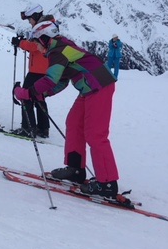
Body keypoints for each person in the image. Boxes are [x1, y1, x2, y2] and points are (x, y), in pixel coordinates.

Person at [14, 20, 120, 198]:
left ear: (44, 39)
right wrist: (41, 95)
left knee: (95, 134)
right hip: (89, 88)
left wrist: (27, 93)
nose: (36, 47)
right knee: (74, 123)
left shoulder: (58, 51)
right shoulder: (58, 48)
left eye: (36, 42)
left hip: (100, 86)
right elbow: (61, 81)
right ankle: (75, 169)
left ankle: (108, 183)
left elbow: (50, 80)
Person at [10, 4, 51, 138]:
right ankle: (43, 128)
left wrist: (20, 43)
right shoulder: (47, 26)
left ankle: (28, 128)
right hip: (44, 69)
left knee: (26, 96)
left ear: (35, 16)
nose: (29, 22)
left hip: (37, 70)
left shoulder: (43, 28)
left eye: (29, 19)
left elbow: (35, 46)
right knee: (39, 98)